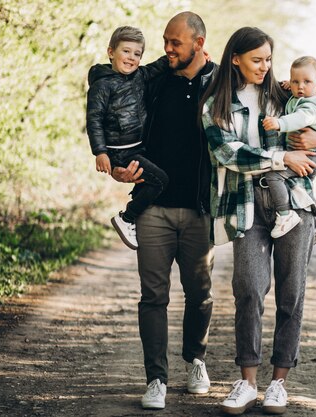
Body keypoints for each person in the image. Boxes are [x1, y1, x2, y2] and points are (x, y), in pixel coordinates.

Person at [200, 27, 316, 415]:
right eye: (257, 59)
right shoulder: (216, 106)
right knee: (248, 288)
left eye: (268, 59)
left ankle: (279, 383)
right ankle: (246, 382)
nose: (265, 67)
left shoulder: (284, 94)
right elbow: (227, 153)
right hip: (246, 207)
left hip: (294, 205)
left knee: (291, 293)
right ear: (235, 59)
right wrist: (281, 159)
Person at [110, 12, 216, 410]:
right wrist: (119, 163)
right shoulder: (152, 81)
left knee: (200, 293)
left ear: (199, 43)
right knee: (153, 296)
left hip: (200, 209)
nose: (167, 49)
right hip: (152, 209)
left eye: (176, 43)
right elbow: (118, 115)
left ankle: (195, 361)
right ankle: (156, 378)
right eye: (166, 41)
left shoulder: (222, 82)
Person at [86, 26, 169, 250]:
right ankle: (127, 218)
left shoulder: (140, 76)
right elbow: (94, 120)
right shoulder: (102, 85)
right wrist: (101, 153)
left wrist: (191, 54)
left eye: (137, 54)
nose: (131, 58)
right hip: (119, 151)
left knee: (156, 176)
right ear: (111, 52)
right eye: (126, 51)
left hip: (138, 147)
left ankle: (139, 220)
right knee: (161, 180)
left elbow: (161, 65)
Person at [262, 56, 316, 240]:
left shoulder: (312, 106)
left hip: (310, 156)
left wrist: (279, 123)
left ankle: (285, 215)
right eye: (295, 81)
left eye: (307, 82)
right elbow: (295, 98)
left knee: (274, 175)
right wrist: (287, 86)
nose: (300, 86)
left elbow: (301, 118)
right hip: (307, 155)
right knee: (302, 187)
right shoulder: (301, 97)